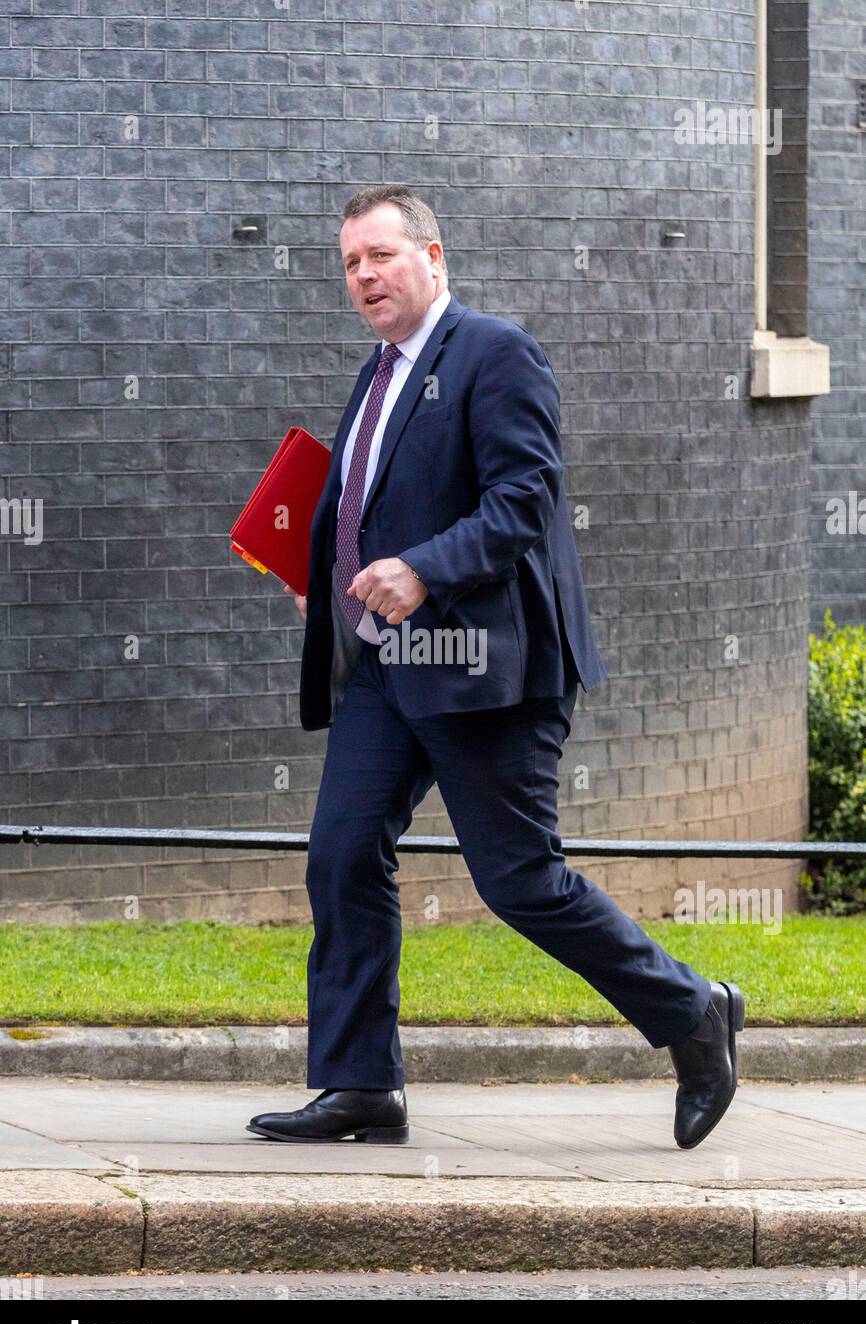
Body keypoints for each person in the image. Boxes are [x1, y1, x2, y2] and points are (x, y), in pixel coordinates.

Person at [247, 184, 744, 1151]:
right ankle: (360, 1087)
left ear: (434, 257)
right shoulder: (379, 373)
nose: (364, 278)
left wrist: (423, 574)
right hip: (391, 668)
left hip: (489, 668)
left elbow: (524, 500)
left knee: (520, 881)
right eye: (350, 264)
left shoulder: (495, 351)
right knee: (342, 854)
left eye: (381, 257)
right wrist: (327, 576)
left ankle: (693, 1014)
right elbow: (373, 501)